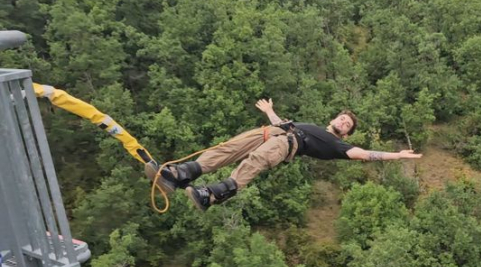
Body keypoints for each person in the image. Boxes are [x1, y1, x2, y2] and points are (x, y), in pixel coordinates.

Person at [146, 99, 422, 211]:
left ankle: (213, 194)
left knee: (252, 163)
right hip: (271, 132)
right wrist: (269, 111)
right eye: (341, 118)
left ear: (346, 134)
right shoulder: (312, 126)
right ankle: (178, 175)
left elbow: (363, 155)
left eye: (346, 125)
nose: (342, 122)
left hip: (284, 146)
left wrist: (396, 156)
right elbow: (282, 123)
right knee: (224, 150)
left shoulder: (337, 146)